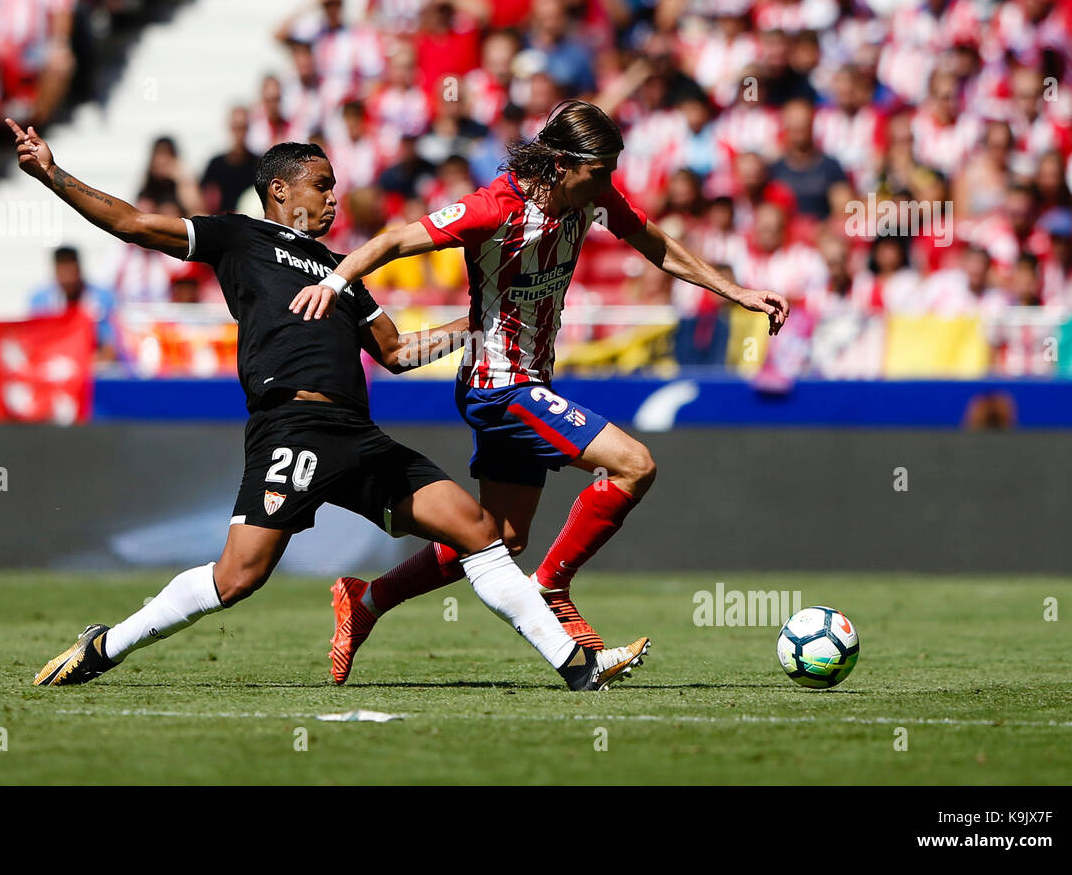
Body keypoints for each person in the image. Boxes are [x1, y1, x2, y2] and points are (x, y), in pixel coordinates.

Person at [6, 118, 648, 691]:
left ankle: (576, 666)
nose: (333, 196)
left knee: (480, 532)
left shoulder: (344, 269)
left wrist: (478, 323)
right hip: (292, 426)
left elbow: (396, 354)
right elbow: (132, 223)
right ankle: (106, 646)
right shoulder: (239, 238)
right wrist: (53, 173)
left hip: (358, 434)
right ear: (280, 190)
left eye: (334, 184)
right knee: (238, 578)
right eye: (321, 183)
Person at [290, 100, 789, 684]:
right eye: (598, 171)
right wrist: (333, 281)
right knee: (634, 465)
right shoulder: (493, 207)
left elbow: (654, 242)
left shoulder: (590, 197)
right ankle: (552, 586)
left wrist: (736, 291)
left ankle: (365, 601)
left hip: (530, 380)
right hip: (498, 384)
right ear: (558, 163)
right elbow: (395, 242)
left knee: (499, 536)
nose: (608, 183)